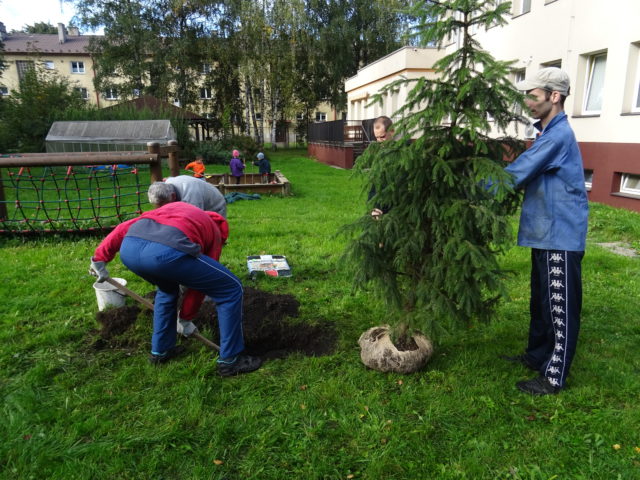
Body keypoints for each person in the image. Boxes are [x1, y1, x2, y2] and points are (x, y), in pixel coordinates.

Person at [89, 201, 262, 376]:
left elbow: (123, 227)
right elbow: (198, 288)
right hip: (166, 253)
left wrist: (99, 258)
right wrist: (185, 318)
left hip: (130, 251)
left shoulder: (175, 209)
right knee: (230, 288)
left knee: (167, 290)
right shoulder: (214, 231)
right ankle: (230, 360)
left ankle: (161, 351)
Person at [499, 67, 588, 395]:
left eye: (534, 96)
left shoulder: (558, 136)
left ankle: (553, 376)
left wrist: (465, 186)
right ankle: (537, 355)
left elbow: (515, 174)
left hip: (560, 236)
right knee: (541, 303)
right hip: (545, 233)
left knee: (560, 307)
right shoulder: (548, 133)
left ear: (555, 96)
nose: (528, 103)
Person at [149, 175, 227, 218]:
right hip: (200, 197)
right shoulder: (167, 184)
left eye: (163, 205)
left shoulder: (191, 198)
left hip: (215, 206)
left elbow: (196, 220)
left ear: (173, 196)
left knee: (211, 236)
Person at [369, 116, 394, 218]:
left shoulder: (404, 151)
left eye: (382, 137)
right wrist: (375, 207)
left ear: (392, 131)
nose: (379, 141)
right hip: (383, 207)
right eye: (377, 138)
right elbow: (375, 184)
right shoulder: (378, 154)